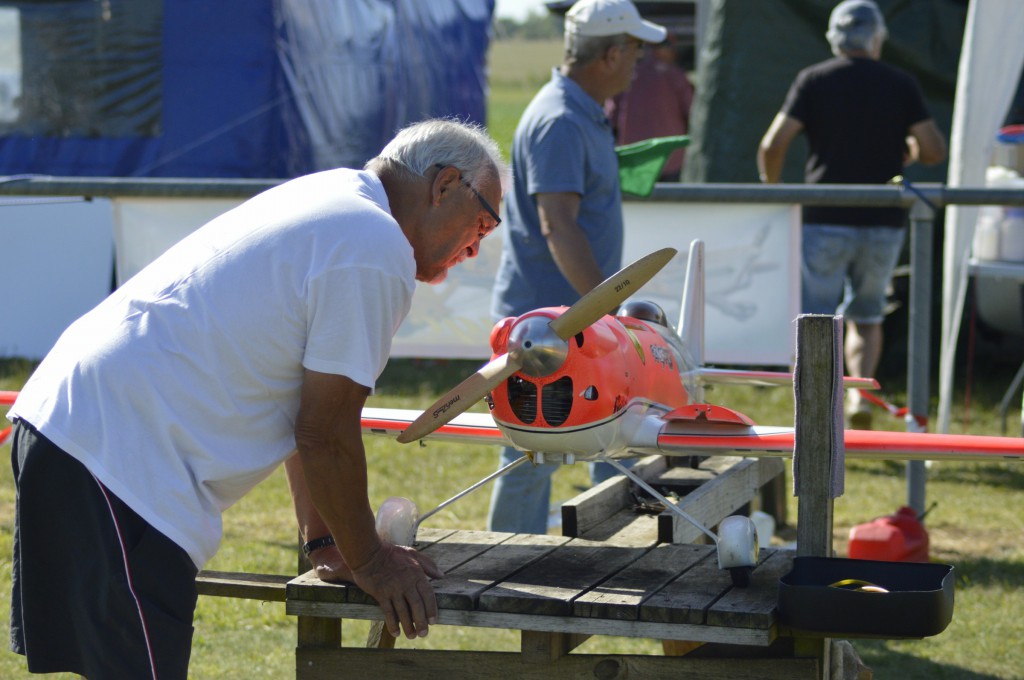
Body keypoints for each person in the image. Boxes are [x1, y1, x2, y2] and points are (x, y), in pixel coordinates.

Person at [7, 118, 510, 679]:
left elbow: (309, 411)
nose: (476, 248)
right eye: (484, 222)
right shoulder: (374, 244)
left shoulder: (336, 200)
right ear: (443, 186)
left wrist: (327, 542)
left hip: (76, 429)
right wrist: (372, 562)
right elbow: (326, 433)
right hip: (114, 455)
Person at [488, 0, 667, 534]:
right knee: (532, 451)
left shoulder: (579, 111)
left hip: (573, 321)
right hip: (550, 328)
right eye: (635, 49)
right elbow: (558, 225)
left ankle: (596, 554)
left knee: (605, 435)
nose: (639, 61)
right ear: (611, 53)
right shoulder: (562, 119)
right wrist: (608, 311)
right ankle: (510, 567)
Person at [756, 0, 946, 429]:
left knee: (816, 320)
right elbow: (933, 150)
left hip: (824, 218)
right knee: (868, 316)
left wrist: (773, 191)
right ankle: (858, 394)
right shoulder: (901, 83)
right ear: (878, 38)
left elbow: (772, 145)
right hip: (882, 220)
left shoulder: (813, 80)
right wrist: (910, 151)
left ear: (834, 38)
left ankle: (819, 409)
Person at [606, 33, 695, 181]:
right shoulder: (675, 76)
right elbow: (693, 113)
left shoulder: (627, 76)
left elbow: (610, 117)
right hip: (670, 160)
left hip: (634, 159)